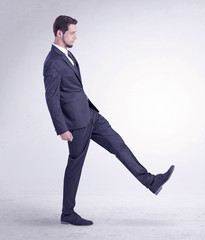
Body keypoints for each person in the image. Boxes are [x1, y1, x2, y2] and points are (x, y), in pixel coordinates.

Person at [43, 15, 175, 226]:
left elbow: (74, 89)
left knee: (118, 145)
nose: (76, 36)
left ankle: (151, 181)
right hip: (76, 123)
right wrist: (62, 128)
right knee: (75, 165)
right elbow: (51, 98)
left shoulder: (69, 56)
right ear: (60, 33)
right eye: (72, 32)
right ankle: (67, 213)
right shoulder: (52, 62)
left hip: (91, 115)